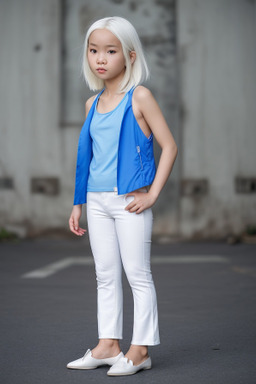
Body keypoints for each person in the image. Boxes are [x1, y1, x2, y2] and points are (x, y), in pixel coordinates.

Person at [67, 16, 178, 377]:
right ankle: (108, 345)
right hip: (97, 202)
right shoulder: (91, 103)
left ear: (129, 56)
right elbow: (89, 158)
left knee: (137, 275)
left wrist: (153, 196)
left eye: (110, 51)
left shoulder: (139, 96)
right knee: (105, 275)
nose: (100, 58)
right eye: (94, 50)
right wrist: (78, 202)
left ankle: (140, 350)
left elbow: (169, 146)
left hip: (130, 200)